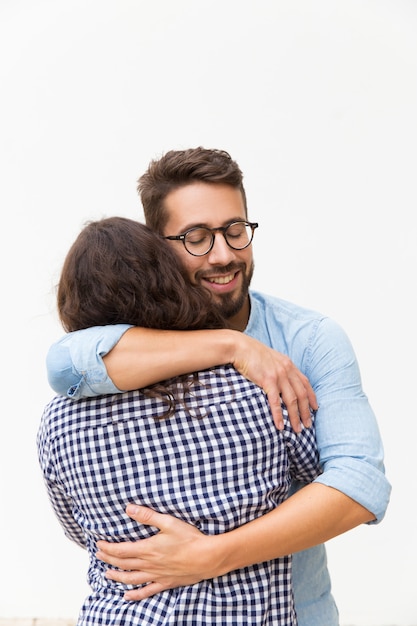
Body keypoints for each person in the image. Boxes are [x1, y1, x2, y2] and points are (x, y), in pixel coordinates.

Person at [46, 148, 391, 626]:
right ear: (157, 246)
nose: (224, 254)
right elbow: (65, 365)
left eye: (235, 230)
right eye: (196, 238)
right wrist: (232, 346)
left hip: (294, 612)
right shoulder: (144, 346)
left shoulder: (310, 338)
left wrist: (211, 555)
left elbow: (359, 485)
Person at [38, 216, 322, 625]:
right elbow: (320, 478)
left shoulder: (56, 423)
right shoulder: (257, 388)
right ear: (169, 281)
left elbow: (80, 533)